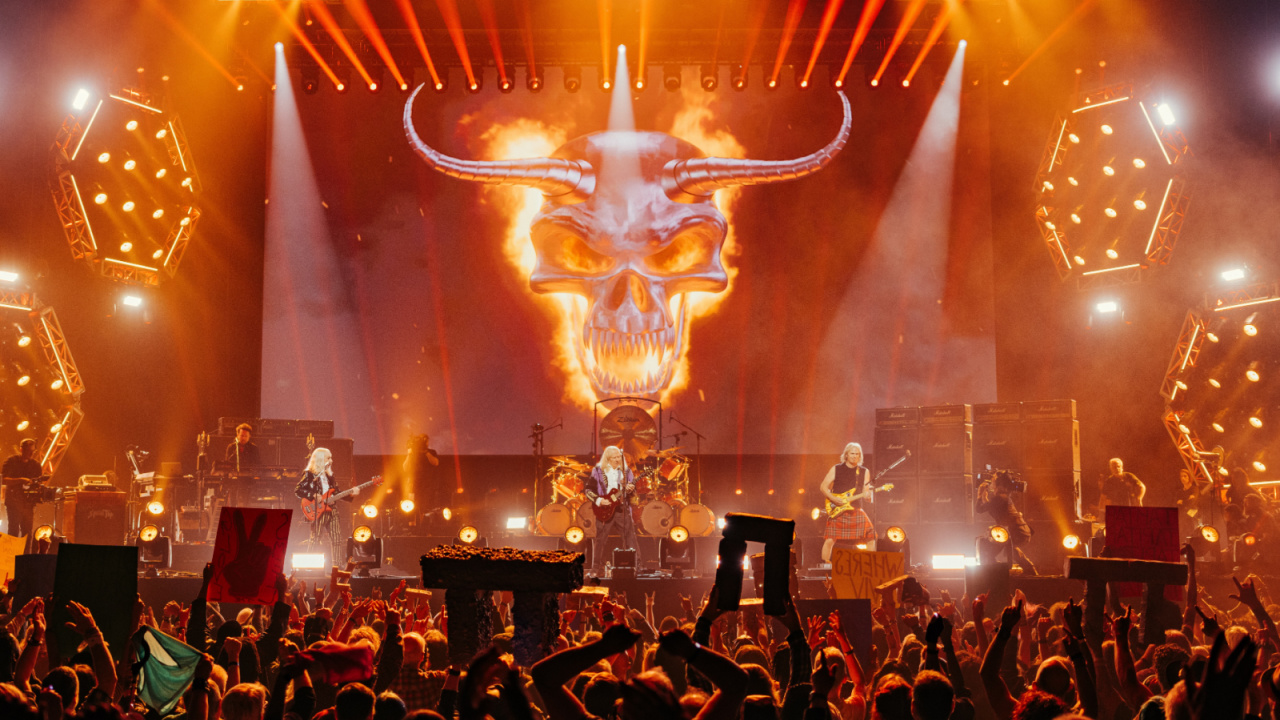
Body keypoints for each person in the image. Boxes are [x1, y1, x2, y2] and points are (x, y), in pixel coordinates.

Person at [293, 447, 357, 564]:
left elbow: (336, 493)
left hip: (332, 510)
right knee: (315, 539)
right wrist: (313, 495)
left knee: (337, 539)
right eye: (328, 458)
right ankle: (310, 566)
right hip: (317, 510)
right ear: (321, 459)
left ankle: (337, 567)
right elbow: (298, 490)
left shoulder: (330, 477)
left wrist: (351, 495)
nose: (331, 461)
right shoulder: (310, 475)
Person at [819, 442, 877, 563]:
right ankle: (826, 566)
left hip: (855, 508)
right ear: (846, 455)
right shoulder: (836, 468)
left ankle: (869, 564)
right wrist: (834, 499)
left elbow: (866, 494)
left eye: (857, 454)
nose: (855, 456)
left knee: (871, 536)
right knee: (830, 539)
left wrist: (869, 495)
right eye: (852, 453)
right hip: (838, 509)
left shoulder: (864, 471)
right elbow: (823, 487)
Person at [584, 445, 638, 578]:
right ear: (607, 458)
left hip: (621, 509)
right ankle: (596, 568)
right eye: (614, 458)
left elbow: (632, 493)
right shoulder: (597, 471)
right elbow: (588, 491)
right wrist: (599, 501)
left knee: (630, 538)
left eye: (619, 457)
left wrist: (631, 489)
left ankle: (637, 567)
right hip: (604, 509)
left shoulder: (626, 472)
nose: (617, 460)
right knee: (600, 540)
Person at [976, 470, 1037, 575]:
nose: (991, 482)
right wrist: (984, 497)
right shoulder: (1002, 497)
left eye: (993, 480)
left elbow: (980, 509)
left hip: (1016, 532)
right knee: (1013, 552)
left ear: (998, 484)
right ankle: (1032, 573)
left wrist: (979, 494)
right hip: (1020, 531)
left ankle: (998, 574)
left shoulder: (1000, 498)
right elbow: (990, 507)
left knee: (988, 552)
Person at [2, 439, 43, 544]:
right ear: (21, 450)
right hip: (13, 502)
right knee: (13, 531)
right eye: (29, 451)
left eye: (33, 451)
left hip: (28, 503)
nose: (31, 454)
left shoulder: (36, 465)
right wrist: (21, 480)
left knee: (27, 533)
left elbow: (39, 482)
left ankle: (25, 558)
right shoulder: (11, 461)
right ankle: (11, 557)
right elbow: (3, 479)